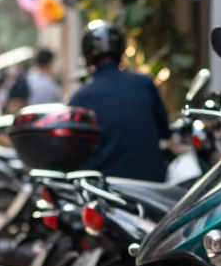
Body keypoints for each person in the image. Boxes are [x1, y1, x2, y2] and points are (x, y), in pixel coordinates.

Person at [68, 21, 170, 182]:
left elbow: (73, 150)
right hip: (153, 184)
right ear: (121, 50)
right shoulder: (144, 83)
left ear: (87, 55)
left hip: (106, 187)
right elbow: (164, 131)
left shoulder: (81, 97)